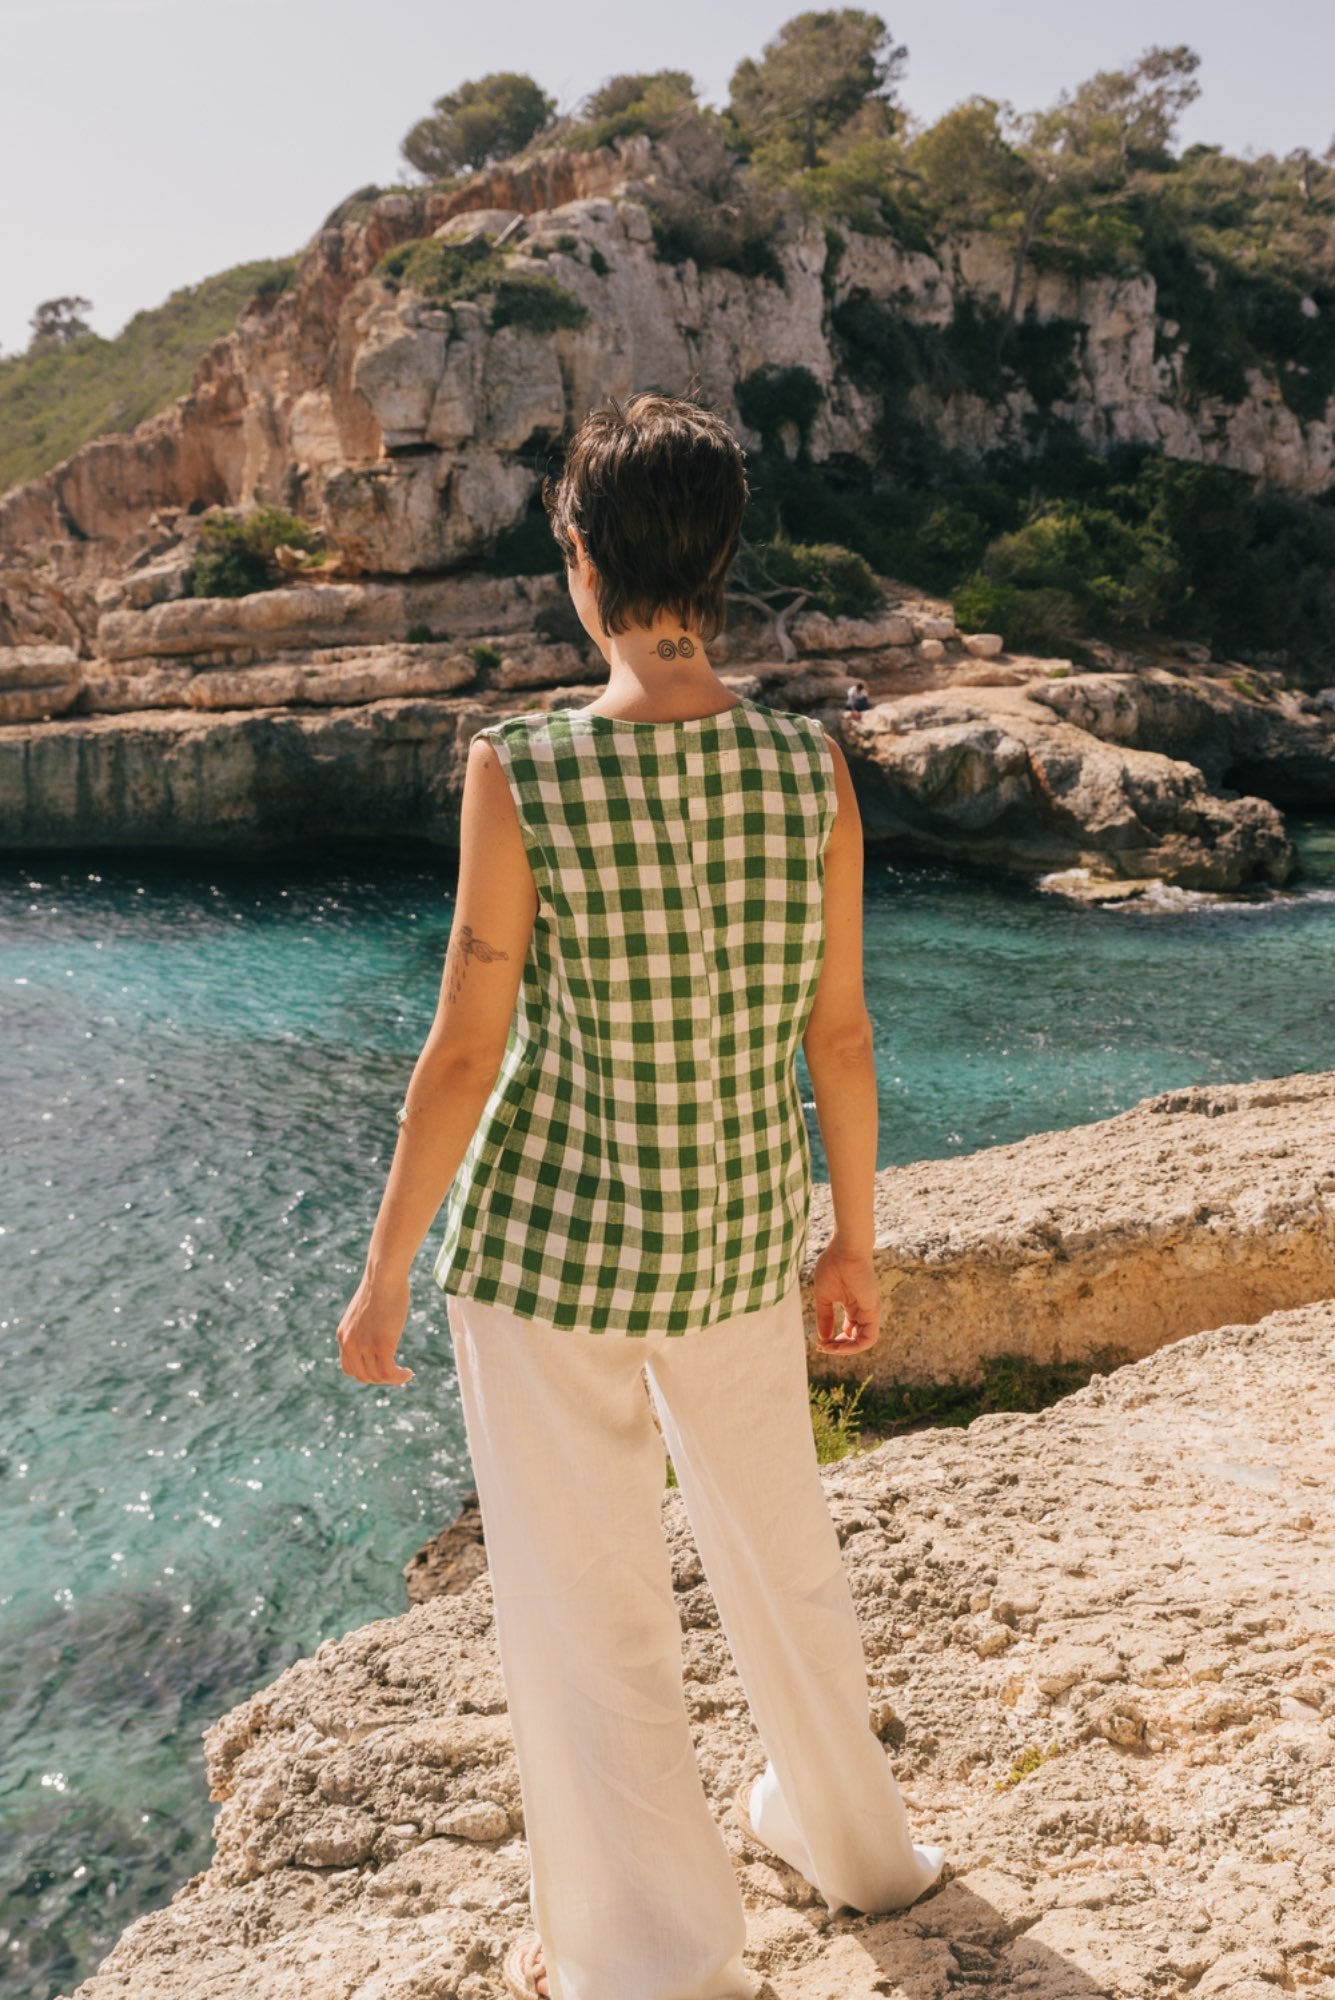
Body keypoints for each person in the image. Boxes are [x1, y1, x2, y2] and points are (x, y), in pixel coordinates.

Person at [336, 391, 946, 2000]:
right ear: (726, 561)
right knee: (778, 1551)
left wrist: (389, 1262)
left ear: (583, 564)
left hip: (549, 1258)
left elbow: (467, 1051)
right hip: (742, 1237)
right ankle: (854, 1843)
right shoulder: (809, 767)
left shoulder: (519, 767)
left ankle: (648, 1957)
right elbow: (842, 1029)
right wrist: (855, 1238)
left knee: (589, 1607)